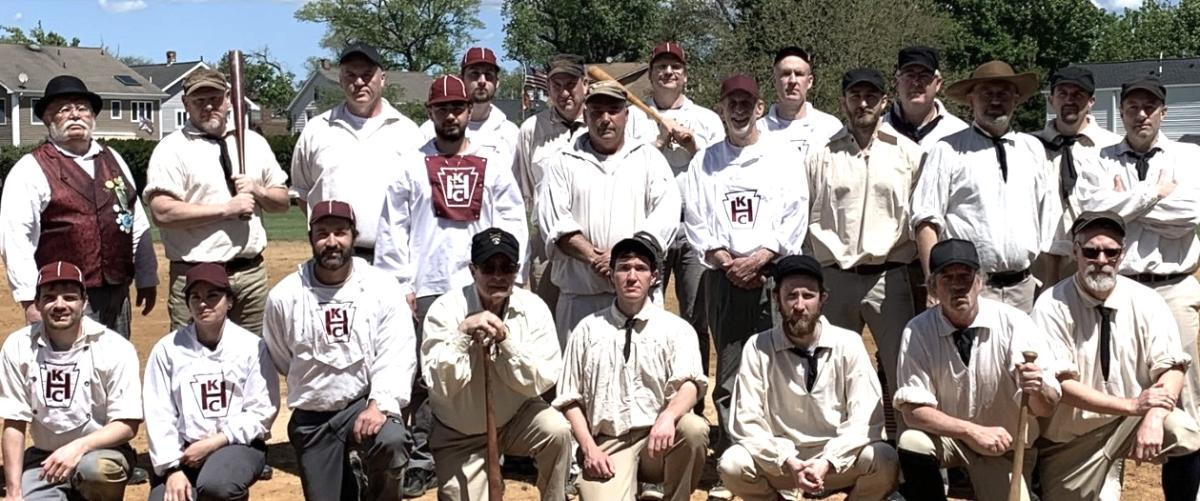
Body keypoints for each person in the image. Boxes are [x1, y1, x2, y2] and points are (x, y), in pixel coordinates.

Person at [374, 74, 528, 496]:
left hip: (478, 285)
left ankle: (487, 449)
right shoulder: (409, 165)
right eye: (442, 108)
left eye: (457, 107)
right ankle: (424, 457)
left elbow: (513, 223)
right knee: (427, 377)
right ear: (431, 113)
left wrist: (508, 275)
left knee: (484, 369)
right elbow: (394, 231)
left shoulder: (491, 164)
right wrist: (398, 284)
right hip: (426, 284)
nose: (451, 115)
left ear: (467, 111)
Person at [683, 75, 807, 497]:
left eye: (747, 102)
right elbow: (696, 219)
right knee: (731, 372)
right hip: (724, 277)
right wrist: (724, 260)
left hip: (771, 276)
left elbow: (794, 213)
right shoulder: (706, 161)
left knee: (779, 367)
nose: (739, 108)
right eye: (731, 101)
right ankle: (732, 459)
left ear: (759, 108)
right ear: (721, 107)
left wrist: (761, 258)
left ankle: (780, 461)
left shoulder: (782, 157)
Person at [1031, 211, 1200, 501]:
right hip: (1075, 439)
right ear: (1075, 252)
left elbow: (1172, 367)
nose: (1101, 260)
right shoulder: (1051, 305)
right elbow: (1063, 386)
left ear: (1122, 255)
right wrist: (1133, 405)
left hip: (1131, 422)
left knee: (1185, 433)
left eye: (1111, 252)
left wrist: (1155, 416)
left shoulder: (1147, 300)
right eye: (1091, 251)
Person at [263, 200, 415, 500]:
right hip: (314, 415)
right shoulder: (284, 296)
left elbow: (396, 352)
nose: (331, 242)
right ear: (310, 238)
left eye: (340, 232)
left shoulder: (382, 287)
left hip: (363, 402)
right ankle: (351, 480)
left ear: (354, 237)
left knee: (391, 439)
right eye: (322, 233)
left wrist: (378, 404)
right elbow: (281, 355)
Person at [719, 255, 899, 500]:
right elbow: (746, 421)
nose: (800, 305)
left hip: (836, 461)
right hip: (783, 462)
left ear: (823, 298)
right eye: (791, 295)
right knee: (732, 464)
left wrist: (827, 461)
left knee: (884, 459)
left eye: (808, 295)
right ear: (776, 299)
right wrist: (789, 461)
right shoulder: (757, 346)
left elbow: (866, 419)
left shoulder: (848, 343)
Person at [893, 239, 1059, 501]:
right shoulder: (917, 330)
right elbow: (913, 413)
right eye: (947, 277)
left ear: (980, 281)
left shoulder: (1015, 323)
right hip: (950, 439)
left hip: (1003, 448)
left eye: (966, 276)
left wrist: (1038, 388)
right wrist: (972, 431)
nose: (958, 285)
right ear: (933, 286)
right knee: (913, 442)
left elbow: (1046, 407)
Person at [806, 68, 923, 438]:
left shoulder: (908, 154)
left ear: (884, 101)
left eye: (871, 96)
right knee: (829, 370)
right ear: (843, 101)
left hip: (890, 278)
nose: (863, 103)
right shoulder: (821, 155)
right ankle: (832, 456)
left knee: (903, 371)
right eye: (855, 96)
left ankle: (910, 462)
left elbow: (921, 216)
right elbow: (806, 212)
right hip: (835, 277)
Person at [1077, 76, 1200, 425]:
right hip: (1120, 286)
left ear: (1163, 111)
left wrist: (1123, 207)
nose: (1141, 114)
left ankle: (1189, 475)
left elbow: (1190, 213)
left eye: (1149, 107)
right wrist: (1154, 194)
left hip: (1174, 286)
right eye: (1133, 107)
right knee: (1116, 381)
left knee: (1182, 386)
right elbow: (1093, 211)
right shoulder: (1098, 158)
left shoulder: (1190, 156)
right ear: (1122, 111)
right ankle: (1111, 475)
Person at [553, 234, 709, 501]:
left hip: (660, 440)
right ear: (612, 275)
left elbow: (692, 385)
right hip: (608, 443)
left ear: (654, 277)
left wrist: (669, 417)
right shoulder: (587, 329)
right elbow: (569, 399)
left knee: (694, 429)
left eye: (640, 268)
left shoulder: (676, 329)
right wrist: (589, 449)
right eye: (624, 268)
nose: (632, 276)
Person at [0, 75, 157, 338]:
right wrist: (29, 300)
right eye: (63, 109)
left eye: (82, 108)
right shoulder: (30, 168)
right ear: (48, 119)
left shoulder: (113, 159)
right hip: (63, 299)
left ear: (93, 117)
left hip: (117, 293)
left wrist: (146, 275)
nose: (75, 115)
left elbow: (136, 221)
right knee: (69, 368)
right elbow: (16, 239)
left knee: (113, 367)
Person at [422, 227, 572, 500]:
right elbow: (441, 384)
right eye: (489, 267)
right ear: (472, 269)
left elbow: (544, 378)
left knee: (557, 431)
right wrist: (462, 333)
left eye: (507, 268)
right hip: (460, 432)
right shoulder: (444, 310)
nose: (499, 276)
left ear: (517, 270)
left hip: (516, 418)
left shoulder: (534, 308)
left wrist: (506, 341)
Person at [145, 67, 291, 335]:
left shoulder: (254, 143)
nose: (209, 106)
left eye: (215, 98)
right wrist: (226, 209)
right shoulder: (171, 149)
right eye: (199, 101)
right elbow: (162, 212)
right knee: (193, 360)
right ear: (186, 104)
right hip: (196, 275)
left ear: (228, 99)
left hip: (250, 275)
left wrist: (259, 191)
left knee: (253, 360)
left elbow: (282, 201)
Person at [537, 79, 680, 339]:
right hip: (580, 299)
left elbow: (666, 215)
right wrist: (596, 258)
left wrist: (622, 259)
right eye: (597, 111)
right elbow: (556, 222)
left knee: (641, 379)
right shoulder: (563, 161)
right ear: (585, 115)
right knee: (578, 379)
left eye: (613, 110)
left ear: (626, 114)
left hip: (638, 300)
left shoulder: (648, 158)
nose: (605, 118)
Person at [514, 54, 658, 312]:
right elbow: (523, 193)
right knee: (551, 325)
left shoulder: (609, 122)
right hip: (551, 253)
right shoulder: (530, 130)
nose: (564, 92)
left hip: (620, 257)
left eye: (570, 84)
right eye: (556, 85)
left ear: (584, 83)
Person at [911, 60, 1053, 313]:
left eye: (1003, 94)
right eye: (987, 93)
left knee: (1026, 354)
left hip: (1025, 290)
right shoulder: (948, 150)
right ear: (971, 98)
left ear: (1016, 99)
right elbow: (926, 221)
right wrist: (934, 283)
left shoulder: (1032, 149)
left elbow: (1047, 222)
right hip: (967, 288)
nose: (995, 100)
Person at [0, 261, 143, 501]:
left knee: (97, 471)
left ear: (84, 302)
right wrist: (14, 492)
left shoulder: (115, 347)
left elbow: (128, 424)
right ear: (37, 303)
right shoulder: (18, 346)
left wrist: (78, 448)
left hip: (101, 453)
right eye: (49, 298)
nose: (60, 305)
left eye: (69, 297)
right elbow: (14, 422)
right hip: (45, 461)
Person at [143, 263, 280, 501]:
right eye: (195, 297)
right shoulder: (167, 349)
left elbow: (261, 412)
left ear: (229, 302)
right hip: (185, 453)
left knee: (217, 486)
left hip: (236, 445)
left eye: (212, 295)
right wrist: (173, 469)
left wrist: (215, 442)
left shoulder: (251, 346)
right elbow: (159, 414)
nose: (203, 303)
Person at [643, 42, 725, 406]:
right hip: (651, 228)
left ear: (685, 75)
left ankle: (694, 393)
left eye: (675, 67)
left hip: (694, 228)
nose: (668, 73)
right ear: (651, 75)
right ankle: (653, 392)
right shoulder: (635, 119)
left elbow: (722, 171)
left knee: (696, 315)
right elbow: (632, 168)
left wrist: (694, 147)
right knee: (649, 310)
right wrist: (659, 142)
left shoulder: (707, 118)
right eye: (661, 67)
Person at [290, 42, 422, 262]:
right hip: (333, 260)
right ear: (340, 79)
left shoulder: (408, 132)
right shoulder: (317, 129)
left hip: (392, 259)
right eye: (350, 75)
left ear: (383, 79)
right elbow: (303, 194)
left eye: (367, 75)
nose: (359, 82)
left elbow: (420, 200)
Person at [1033, 66, 1123, 288]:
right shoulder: (1030, 146)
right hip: (1038, 260)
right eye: (1062, 94)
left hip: (1093, 256)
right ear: (1051, 99)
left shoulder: (1113, 148)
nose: (1069, 100)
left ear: (1091, 101)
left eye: (1078, 95)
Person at [419, 47, 520, 160]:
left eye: (488, 75)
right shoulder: (429, 130)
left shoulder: (510, 133)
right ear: (461, 79)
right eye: (474, 74)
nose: (482, 81)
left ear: (497, 82)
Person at [756, 46, 842, 158]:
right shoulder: (758, 131)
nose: (792, 80)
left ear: (810, 82)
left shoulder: (830, 128)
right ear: (774, 82)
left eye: (799, 74)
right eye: (786, 74)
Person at [882, 46, 967, 149]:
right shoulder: (878, 129)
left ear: (938, 84)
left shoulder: (959, 133)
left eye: (924, 76)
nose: (916, 83)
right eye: (910, 75)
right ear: (897, 82)